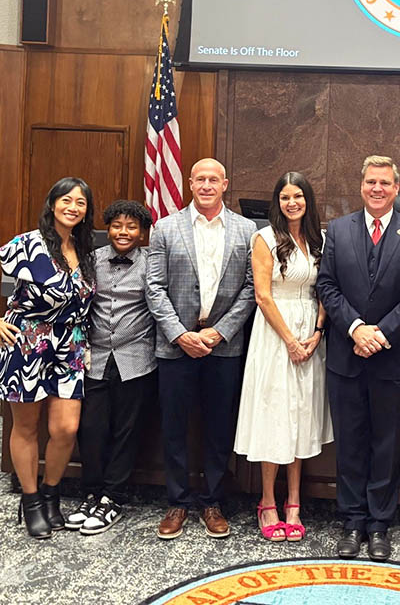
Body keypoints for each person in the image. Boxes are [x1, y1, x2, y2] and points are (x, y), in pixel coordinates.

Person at [0, 178, 96, 539]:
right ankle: (31, 500)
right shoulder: (27, 244)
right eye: (66, 200)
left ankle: (52, 495)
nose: (73, 207)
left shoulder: (84, 249)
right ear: (51, 203)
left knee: (65, 428)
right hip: (27, 344)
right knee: (24, 427)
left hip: (69, 345)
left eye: (81, 203)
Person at [317, 155, 400, 562]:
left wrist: (379, 333)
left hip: (392, 360)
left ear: (397, 188)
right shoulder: (338, 229)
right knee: (350, 444)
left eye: (385, 182)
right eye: (371, 182)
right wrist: (355, 329)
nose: (377, 189)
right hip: (346, 356)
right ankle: (351, 522)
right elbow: (327, 286)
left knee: (387, 445)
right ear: (361, 186)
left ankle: (380, 525)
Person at [146, 157, 256, 540]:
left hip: (223, 347)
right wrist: (179, 334)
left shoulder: (246, 230)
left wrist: (219, 332)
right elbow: (154, 287)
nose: (207, 185)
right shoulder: (164, 228)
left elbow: (250, 289)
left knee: (217, 427)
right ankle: (177, 501)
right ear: (190, 183)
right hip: (175, 345)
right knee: (174, 426)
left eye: (214, 179)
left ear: (225, 184)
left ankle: (212, 501)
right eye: (200, 179)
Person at [234, 172, 332, 542]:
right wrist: (291, 340)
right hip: (276, 334)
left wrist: (317, 332)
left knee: (301, 416)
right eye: (285, 197)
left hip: (310, 333)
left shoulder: (317, 239)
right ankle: (268, 501)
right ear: (277, 201)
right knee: (275, 414)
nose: (292, 202)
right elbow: (262, 295)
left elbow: (324, 289)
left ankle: (295, 502)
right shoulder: (265, 238)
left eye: (299, 196)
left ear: (308, 200)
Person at [66, 200, 155, 535]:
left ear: (142, 233)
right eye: (117, 225)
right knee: (91, 428)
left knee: (125, 431)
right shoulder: (91, 260)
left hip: (136, 359)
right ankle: (91, 493)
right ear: (109, 228)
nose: (123, 232)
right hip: (95, 359)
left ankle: (113, 498)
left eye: (131, 227)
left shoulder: (151, 263)